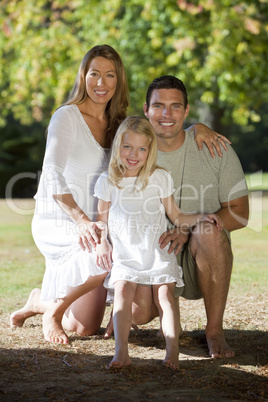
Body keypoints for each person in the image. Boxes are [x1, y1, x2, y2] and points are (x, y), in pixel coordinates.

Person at [9, 45, 229, 345]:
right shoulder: (67, 117)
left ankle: (39, 301)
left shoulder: (118, 122)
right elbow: (51, 175)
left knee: (85, 327)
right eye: (94, 74)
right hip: (65, 217)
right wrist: (82, 221)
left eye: (109, 75)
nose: (101, 83)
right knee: (108, 261)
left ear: (118, 80)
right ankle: (53, 313)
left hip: (102, 220)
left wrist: (198, 127)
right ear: (83, 76)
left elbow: (157, 129)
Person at [117, 75, 249, 359]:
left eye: (175, 106)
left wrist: (190, 230)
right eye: (159, 106)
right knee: (138, 314)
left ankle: (214, 332)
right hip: (150, 253)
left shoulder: (215, 149)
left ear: (187, 110)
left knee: (208, 231)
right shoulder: (133, 153)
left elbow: (241, 213)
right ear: (146, 110)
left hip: (198, 254)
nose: (167, 114)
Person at [94, 116, 223, 369]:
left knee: (166, 296)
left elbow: (176, 215)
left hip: (157, 250)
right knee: (121, 294)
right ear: (118, 146)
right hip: (126, 253)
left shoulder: (159, 177)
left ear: (150, 151)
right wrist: (102, 244)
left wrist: (201, 217)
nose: (134, 154)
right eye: (128, 147)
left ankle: (172, 352)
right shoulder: (108, 181)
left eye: (142, 149)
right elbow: (102, 221)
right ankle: (121, 352)